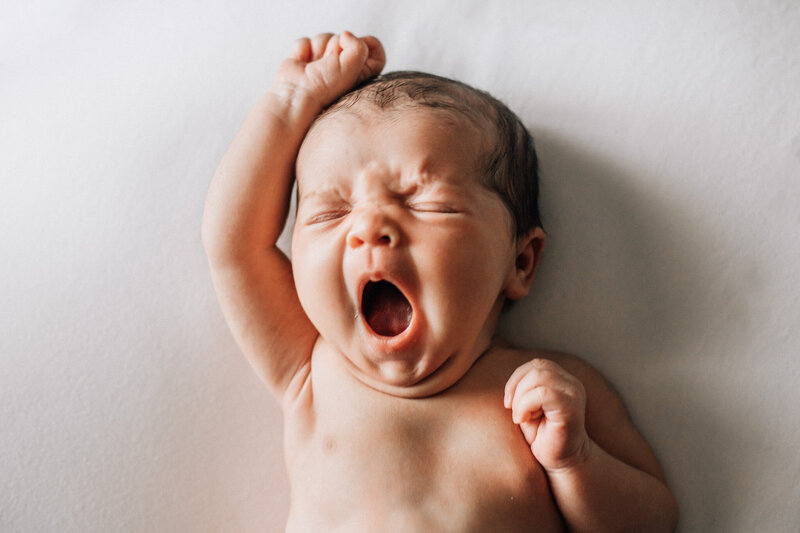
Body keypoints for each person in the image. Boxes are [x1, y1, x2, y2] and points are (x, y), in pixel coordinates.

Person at [202, 31, 678, 532]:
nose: (368, 228)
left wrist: (575, 460)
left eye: (428, 205)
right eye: (330, 213)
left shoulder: (551, 393)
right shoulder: (312, 371)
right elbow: (234, 245)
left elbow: (656, 522)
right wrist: (290, 102)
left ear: (521, 261)